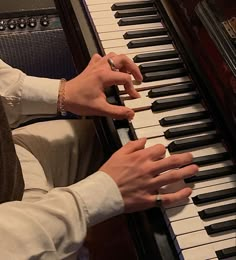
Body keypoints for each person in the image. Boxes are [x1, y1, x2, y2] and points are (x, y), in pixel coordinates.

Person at [0, 53, 198, 259]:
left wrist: (62, 92)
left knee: (113, 139)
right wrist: (103, 192)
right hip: (13, 237)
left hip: (10, 158)